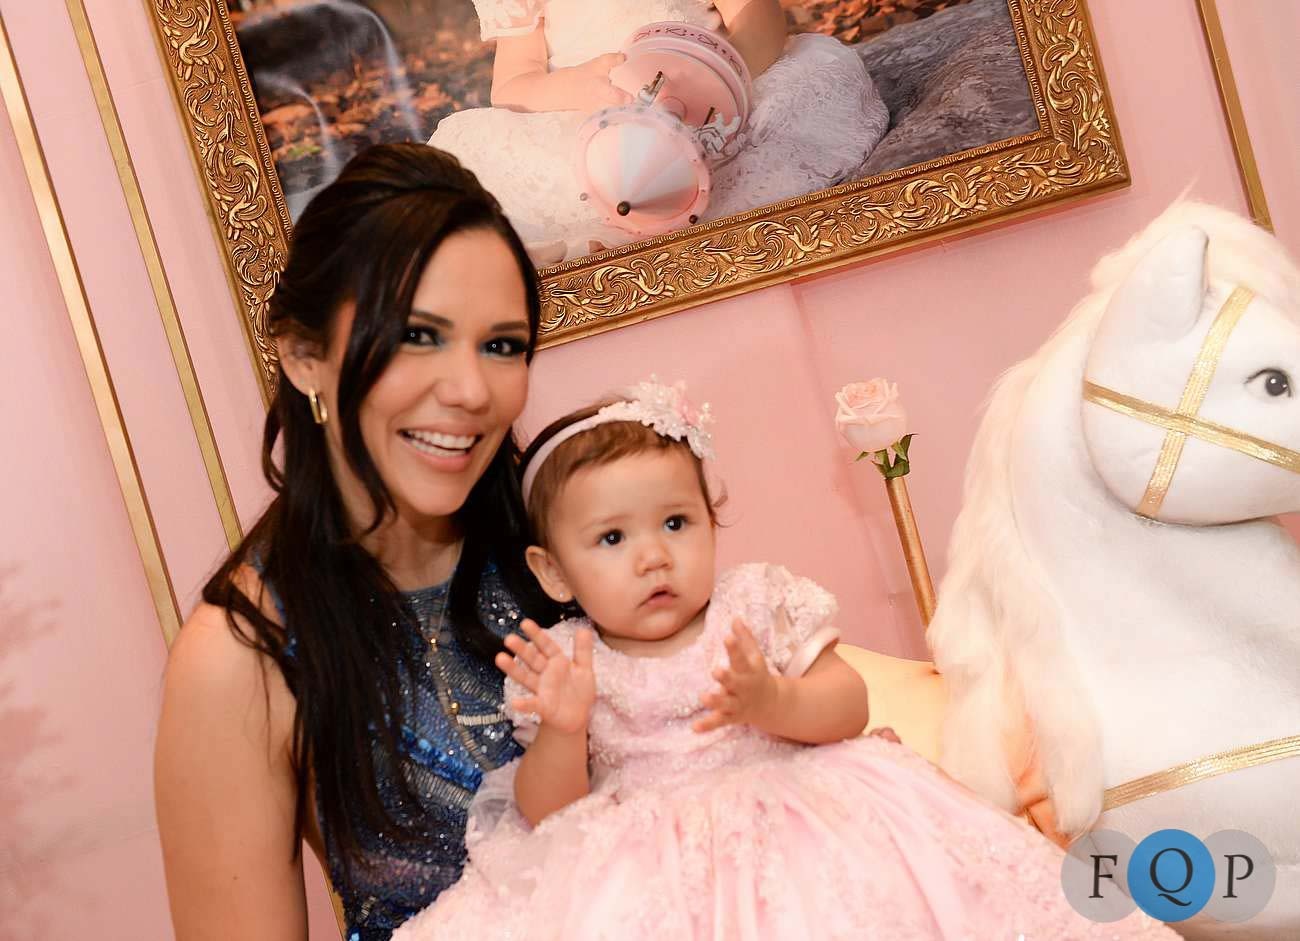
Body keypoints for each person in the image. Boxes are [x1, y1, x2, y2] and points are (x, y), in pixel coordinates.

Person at [393, 379, 1177, 940]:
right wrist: (565, 729)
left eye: (676, 522)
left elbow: (849, 703)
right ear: (555, 571)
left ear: (713, 520)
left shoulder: (752, 603)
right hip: (648, 853)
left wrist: (773, 701)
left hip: (805, 813)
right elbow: (548, 815)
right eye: (612, 538)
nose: (652, 556)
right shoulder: (569, 661)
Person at [154, 143, 560, 941]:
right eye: (418, 335)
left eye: (502, 344)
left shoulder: (566, 538)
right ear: (304, 355)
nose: (470, 390)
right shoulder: (241, 655)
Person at [429, 0, 890, 263]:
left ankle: (692, 196)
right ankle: (608, 225)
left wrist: (723, 83)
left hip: (714, 89)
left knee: (806, 86)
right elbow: (513, 84)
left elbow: (758, 17)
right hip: (594, 111)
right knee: (478, 156)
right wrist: (576, 85)